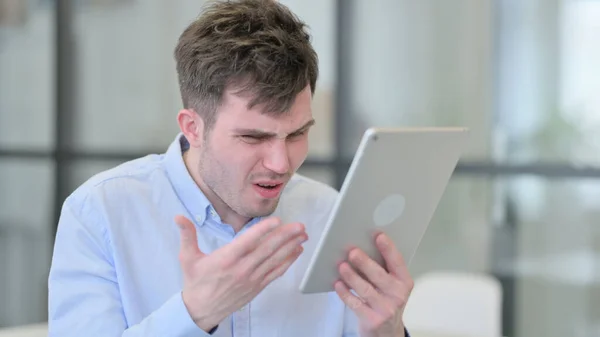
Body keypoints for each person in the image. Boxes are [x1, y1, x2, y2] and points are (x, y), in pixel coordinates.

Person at [47, 0, 414, 336]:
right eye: (253, 138)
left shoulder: (330, 215)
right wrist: (196, 312)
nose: (281, 163)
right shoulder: (99, 215)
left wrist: (388, 331)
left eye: (298, 133)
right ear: (193, 127)